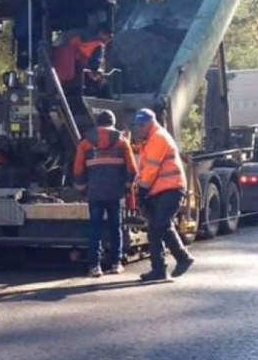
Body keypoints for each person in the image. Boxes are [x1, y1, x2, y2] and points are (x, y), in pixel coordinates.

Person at [73, 110, 137, 277]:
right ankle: (116, 263)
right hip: (115, 193)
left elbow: (78, 170)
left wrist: (83, 190)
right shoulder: (122, 141)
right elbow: (132, 169)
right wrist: (126, 187)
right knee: (116, 227)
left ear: (97, 123)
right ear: (113, 122)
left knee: (95, 229)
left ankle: (95, 266)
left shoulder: (85, 143)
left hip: (94, 193)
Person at [133, 108, 194, 281]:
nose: (139, 129)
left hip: (170, 189)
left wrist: (142, 192)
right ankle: (158, 269)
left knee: (160, 225)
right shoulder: (150, 140)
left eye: (142, 125)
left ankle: (183, 257)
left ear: (150, 123)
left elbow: (151, 170)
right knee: (155, 228)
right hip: (160, 190)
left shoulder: (158, 138)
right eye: (137, 125)